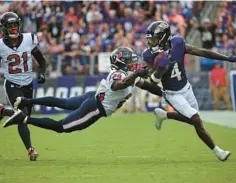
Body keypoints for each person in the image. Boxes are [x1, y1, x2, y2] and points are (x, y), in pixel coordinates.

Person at [3, 47, 162, 138]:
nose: (134, 63)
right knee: (61, 127)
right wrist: (135, 74)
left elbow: (147, 86)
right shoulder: (119, 75)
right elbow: (118, 85)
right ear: (122, 62)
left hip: (92, 98)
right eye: (130, 61)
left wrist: (167, 94)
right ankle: (24, 118)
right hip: (95, 107)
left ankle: (26, 102)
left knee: (63, 103)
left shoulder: (129, 76)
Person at [143, 21, 236, 161]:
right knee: (196, 119)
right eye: (150, 39)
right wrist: (160, 69)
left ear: (163, 37)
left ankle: (165, 115)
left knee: (194, 120)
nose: (150, 43)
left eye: (154, 39)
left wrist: (226, 58)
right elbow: (153, 80)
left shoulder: (178, 43)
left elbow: (201, 51)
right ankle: (218, 151)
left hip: (186, 88)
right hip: (172, 94)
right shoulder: (149, 55)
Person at [0, 12, 46, 161]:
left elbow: (41, 60)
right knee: (22, 116)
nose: (13, 28)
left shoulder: (28, 39)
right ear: (4, 29)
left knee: (25, 118)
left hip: (28, 84)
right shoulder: (1, 46)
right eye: (10, 26)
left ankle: (4, 112)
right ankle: (31, 150)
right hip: (12, 84)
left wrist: (41, 73)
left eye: (15, 25)